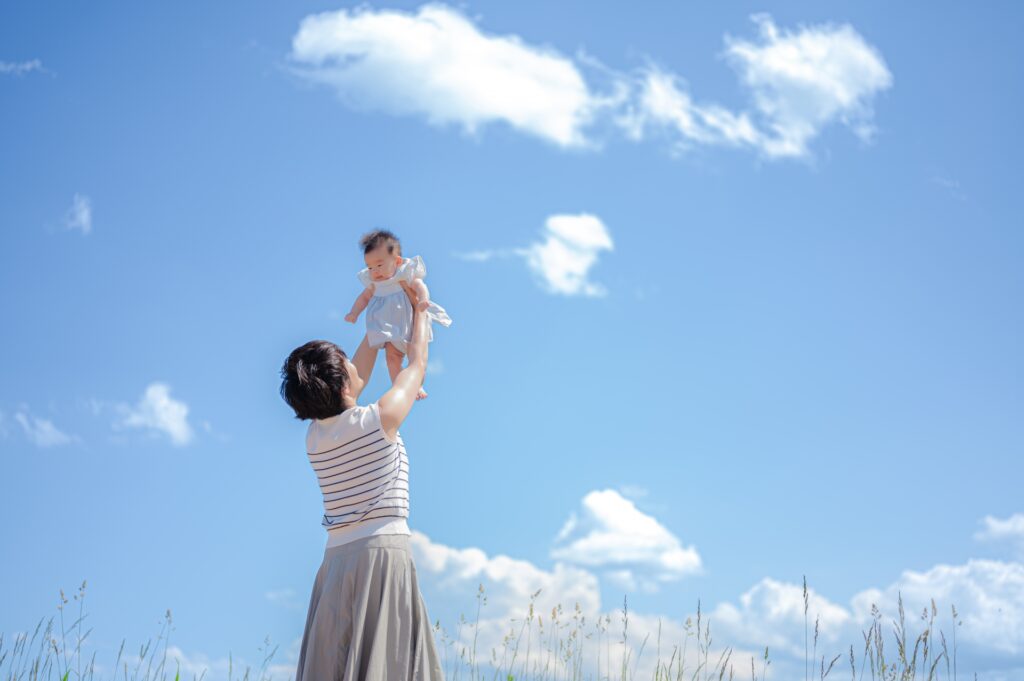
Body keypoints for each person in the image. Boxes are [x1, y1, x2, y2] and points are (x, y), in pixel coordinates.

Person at [280, 281, 445, 680]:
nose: (357, 367)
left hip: (336, 562)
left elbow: (359, 369)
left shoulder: (315, 438)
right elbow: (416, 366)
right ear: (343, 385)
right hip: (382, 554)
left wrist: (381, 307)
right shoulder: (380, 419)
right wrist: (420, 308)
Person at [345, 229, 452, 400]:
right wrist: (354, 312)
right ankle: (399, 387)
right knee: (391, 360)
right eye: (370, 267)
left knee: (416, 359)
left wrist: (424, 299)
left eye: (379, 265)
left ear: (397, 261)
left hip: (410, 327)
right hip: (390, 331)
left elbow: (419, 286)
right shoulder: (374, 283)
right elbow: (363, 298)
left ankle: (418, 385)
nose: (375, 271)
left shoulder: (404, 273)